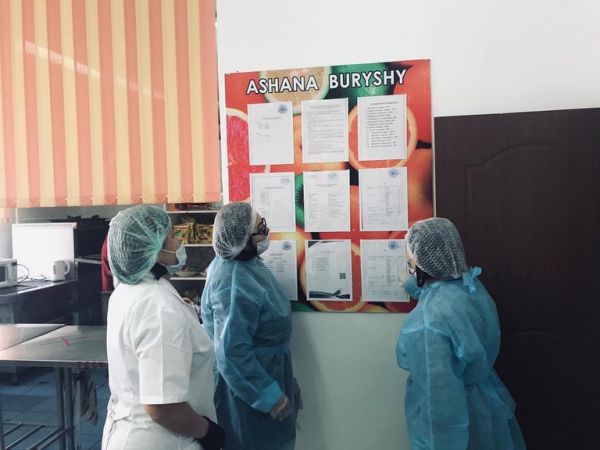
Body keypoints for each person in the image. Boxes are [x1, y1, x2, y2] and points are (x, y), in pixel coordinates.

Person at [102, 205, 225, 450]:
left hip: (129, 431)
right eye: (171, 237)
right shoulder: (158, 307)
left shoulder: (128, 291)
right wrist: (208, 431)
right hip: (163, 439)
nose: (178, 242)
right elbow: (163, 407)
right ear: (153, 250)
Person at [396, 217, 526, 450]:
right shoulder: (470, 287)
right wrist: (414, 286)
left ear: (423, 264)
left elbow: (436, 401)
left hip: (458, 416)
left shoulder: (426, 322)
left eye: (410, 262)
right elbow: (446, 305)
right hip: (485, 404)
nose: (409, 266)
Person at [201, 202, 300, 450]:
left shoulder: (247, 266)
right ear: (241, 240)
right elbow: (231, 352)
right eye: (260, 228)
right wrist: (266, 394)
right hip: (247, 392)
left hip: (267, 373)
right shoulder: (233, 282)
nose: (266, 232)